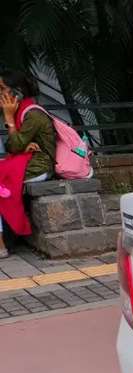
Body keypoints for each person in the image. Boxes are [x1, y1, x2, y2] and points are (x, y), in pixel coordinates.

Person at [0, 71, 56, 257]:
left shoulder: (32, 114)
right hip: (24, 161)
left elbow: (13, 145)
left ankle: (2, 244)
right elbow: (13, 146)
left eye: (2, 89)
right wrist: (21, 147)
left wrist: (9, 120)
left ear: (17, 92)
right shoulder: (21, 111)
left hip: (39, 166)